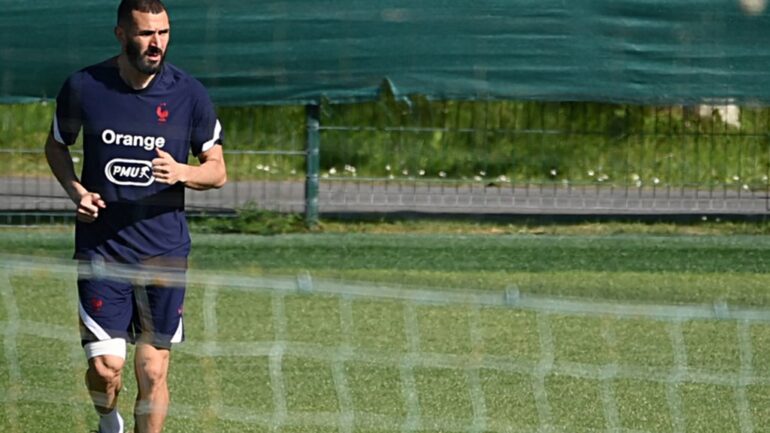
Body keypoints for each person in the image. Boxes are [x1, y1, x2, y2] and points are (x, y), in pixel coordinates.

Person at [44, 0, 226, 432]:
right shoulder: (85, 86)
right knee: (106, 369)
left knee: (152, 370)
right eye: (146, 33)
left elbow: (217, 170)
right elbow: (56, 145)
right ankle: (109, 422)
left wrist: (183, 172)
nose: (156, 43)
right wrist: (76, 191)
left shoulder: (189, 94)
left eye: (163, 33)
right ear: (121, 34)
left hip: (164, 252)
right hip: (102, 248)